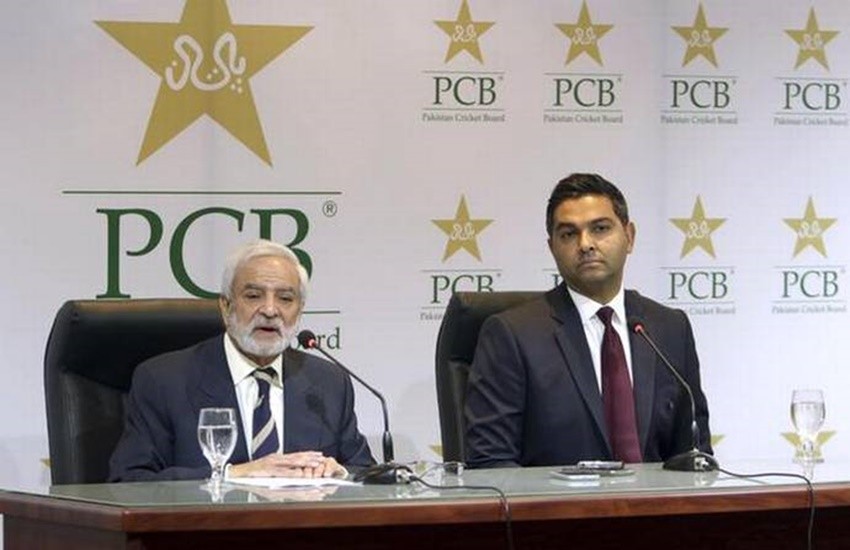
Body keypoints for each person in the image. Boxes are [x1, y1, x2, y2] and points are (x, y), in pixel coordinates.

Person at [464, 173, 712, 468]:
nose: (585, 244)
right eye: (569, 234)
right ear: (552, 248)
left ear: (629, 236)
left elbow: (694, 456)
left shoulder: (669, 328)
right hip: (554, 499)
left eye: (600, 228)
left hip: (655, 499)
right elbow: (490, 463)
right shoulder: (513, 335)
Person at [109, 239, 374, 481]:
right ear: (226, 306)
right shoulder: (164, 381)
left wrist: (340, 473)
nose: (270, 310)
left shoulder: (328, 383)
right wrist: (231, 474)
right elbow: (128, 481)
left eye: (285, 298)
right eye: (253, 296)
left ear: (300, 311)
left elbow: (367, 474)